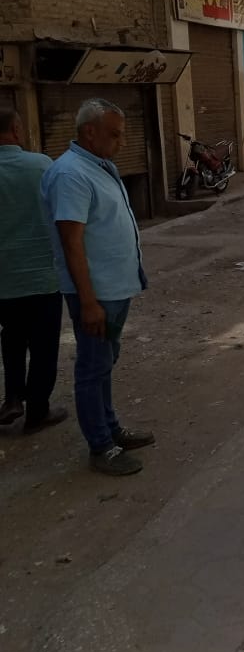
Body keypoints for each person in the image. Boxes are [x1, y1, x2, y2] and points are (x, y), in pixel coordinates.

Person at [41, 98, 153, 476]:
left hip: (115, 289)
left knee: (104, 363)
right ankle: (101, 446)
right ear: (90, 132)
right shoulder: (71, 174)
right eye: (115, 135)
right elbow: (71, 243)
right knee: (92, 368)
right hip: (96, 294)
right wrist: (88, 302)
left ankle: (111, 428)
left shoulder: (100, 166)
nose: (122, 143)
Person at [0, 110, 67, 434]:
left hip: (4, 281)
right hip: (43, 276)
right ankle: (37, 411)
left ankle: (13, 397)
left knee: (11, 336)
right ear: (16, 129)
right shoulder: (42, 165)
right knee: (43, 346)